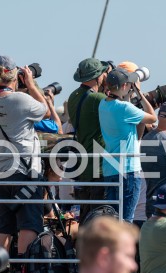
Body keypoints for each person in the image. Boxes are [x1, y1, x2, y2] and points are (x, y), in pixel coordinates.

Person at [0, 57, 50, 258]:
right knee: (28, 223)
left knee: (5, 224)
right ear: (15, 76)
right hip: (24, 172)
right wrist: (30, 84)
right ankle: (24, 271)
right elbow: (45, 111)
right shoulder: (21, 99)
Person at [99, 68, 157, 222]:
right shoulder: (125, 108)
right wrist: (139, 93)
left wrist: (128, 96)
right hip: (128, 169)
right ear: (125, 86)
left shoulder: (102, 105)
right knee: (126, 219)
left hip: (110, 168)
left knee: (112, 219)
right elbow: (152, 118)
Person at [67, 58, 110, 223]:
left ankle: (82, 249)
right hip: (98, 167)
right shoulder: (97, 99)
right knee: (99, 218)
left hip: (83, 168)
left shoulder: (73, 97)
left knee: (85, 218)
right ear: (98, 76)